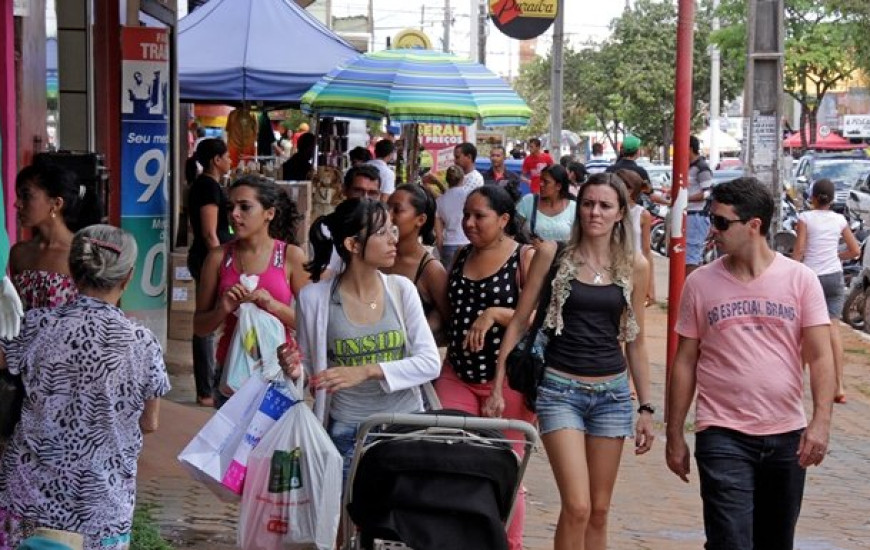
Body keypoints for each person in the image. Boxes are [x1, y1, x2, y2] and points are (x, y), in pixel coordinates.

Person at [666, 177, 836, 550]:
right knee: (730, 541)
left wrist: (821, 421)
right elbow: (685, 361)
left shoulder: (800, 280)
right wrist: (675, 432)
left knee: (775, 541)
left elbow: (821, 356)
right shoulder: (701, 284)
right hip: (721, 432)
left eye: (723, 222)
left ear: (754, 225)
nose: (714, 230)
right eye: (713, 220)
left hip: (786, 435)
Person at [491, 172, 654, 550]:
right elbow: (519, 320)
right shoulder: (553, 254)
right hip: (560, 391)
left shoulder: (635, 265)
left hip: (612, 395)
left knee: (598, 510)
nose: (594, 212)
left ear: (620, 213)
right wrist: (499, 379)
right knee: (577, 505)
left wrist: (645, 406)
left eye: (604, 205)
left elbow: (637, 340)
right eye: (588, 203)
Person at [0, 224, 170, 550]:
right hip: (102, 508)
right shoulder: (142, 344)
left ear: (73, 272)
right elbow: (149, 423)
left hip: (29, 497)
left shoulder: (37, 325)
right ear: (128, 277)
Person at [293, 198, 441, 477]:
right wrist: (293, 369)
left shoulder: (401, 289)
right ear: (353, 245)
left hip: (405, 425)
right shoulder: (314, 299)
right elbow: (310, 372)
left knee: (399, 518)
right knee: (345, 517)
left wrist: (367, 371)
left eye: (392, 230)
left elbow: (430, 363)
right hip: (347, 430)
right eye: (382, 233)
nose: (392, 240)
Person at [434, 185, 536, 550]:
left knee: (506, 466)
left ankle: (510, 543)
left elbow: (538, 318)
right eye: (466, 215)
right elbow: (446, 313)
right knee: (450, 456)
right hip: (457, 373)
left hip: (506, 380)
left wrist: (493, 315)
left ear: (504, 219)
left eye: (480, 216)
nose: (469, 223)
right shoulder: (460, 255)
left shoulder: (525, 258)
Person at [193, 176, 309, 406]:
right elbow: (200, 327)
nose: (235, 214)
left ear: (269, 213)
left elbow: (309, 322)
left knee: (274, 441)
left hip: (279, 369)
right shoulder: (218, 258)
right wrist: (223, 309)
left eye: (245, 207)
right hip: (231, 372)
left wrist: (272, 305)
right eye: (230, 207)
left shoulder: (291, 256)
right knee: (232, 441)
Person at [792, 178, 860, 404]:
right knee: (832, 329)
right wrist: (836, 257)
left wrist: (790, 269)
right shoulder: (839, 220)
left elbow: (800, 250)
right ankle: (838, 386)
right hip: (834, 277)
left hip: (810, 278)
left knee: (803, 330)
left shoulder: (805, 218)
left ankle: (796, 383)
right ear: (831, 200)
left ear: (812, 197)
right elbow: (855, 250)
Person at [10, 162, 102, 310]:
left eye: (26, 196)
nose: (17, 204)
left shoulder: (84, 254)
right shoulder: (19, 253)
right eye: (19, 196)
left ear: (57, 203)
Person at [187, 138, 234, 407]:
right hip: (208, 260)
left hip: (210, 258)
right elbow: (208, 232)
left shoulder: (210, 185)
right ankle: (205, 389)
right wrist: (220, 262)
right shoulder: (207, 186)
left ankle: (210, 385)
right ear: (216, 160)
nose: (230, 162)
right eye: (227, 157)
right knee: (207, 321)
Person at [384, 184, 450, 343]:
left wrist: (421, 332)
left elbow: (449, 319)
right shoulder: (374, 257)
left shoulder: (431, 269)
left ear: (420, 220)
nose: (388, 216)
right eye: (387, 208)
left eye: (397, 210)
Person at [617, 169, 655, 304]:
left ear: (633, 190)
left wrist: (651, 286)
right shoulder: (608, 211)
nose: (623, 191)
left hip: (636, 268)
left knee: (635, 316)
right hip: (613, 266)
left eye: (627, 187)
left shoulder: (642, 214)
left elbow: (646, 250)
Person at [516, 164, 576, 242]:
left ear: (558, 186)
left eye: (546, 182)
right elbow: (513, 230)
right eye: (541, 180)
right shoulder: (528, 201)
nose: (541, 184)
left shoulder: (573, 208)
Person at [685, 135, 714, 275]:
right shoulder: (687, 167)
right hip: (687, 215)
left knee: (692, 257)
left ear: (689, 148)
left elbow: (707, 193)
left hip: (696, 216)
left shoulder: (702, 168)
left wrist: (685, 199)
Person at [435, 165, 470, 268]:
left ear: (447, 180)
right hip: (467, 242)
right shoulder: (469, 196)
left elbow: (438, 233)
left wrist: (441, 250)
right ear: (463, 178)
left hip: (448, 244)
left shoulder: (440, 201)